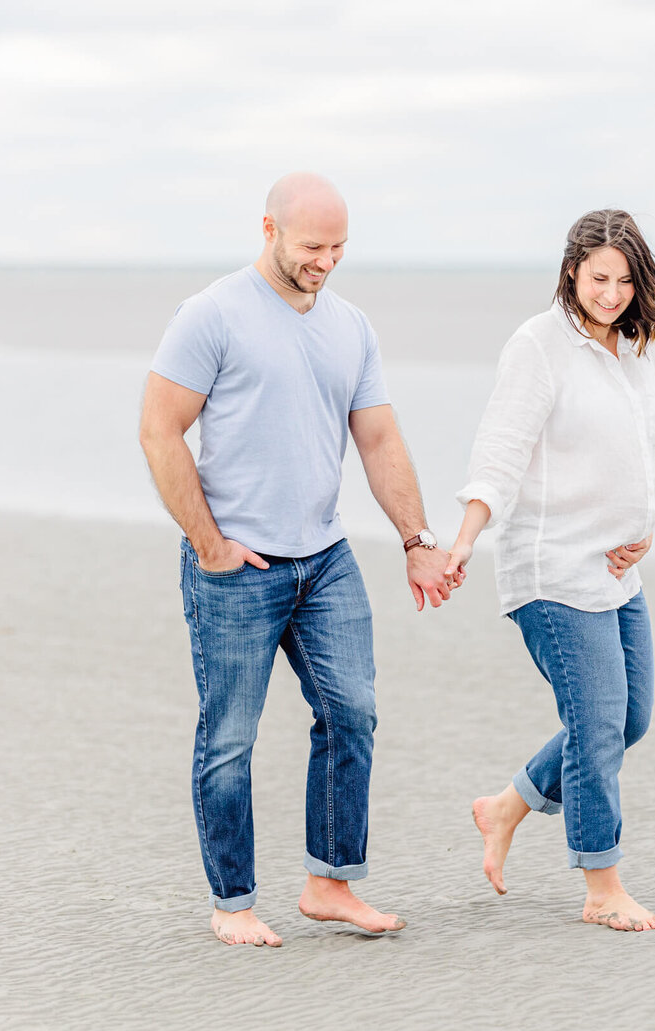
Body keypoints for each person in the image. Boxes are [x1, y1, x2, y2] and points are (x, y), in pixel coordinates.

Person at [139, 172, 457, 947]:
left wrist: (417, 541)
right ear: (269, 230)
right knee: (230, 738)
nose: (327, 260)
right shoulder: (211, 315)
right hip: (237, 569)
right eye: (314, 245)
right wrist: (210, 543)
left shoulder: (351, 326)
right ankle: (234, 901)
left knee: (353, 712)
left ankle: (330, 882)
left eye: (340, 246)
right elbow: (158, 429)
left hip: (325, 558)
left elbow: (378, 439)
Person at [446, 209, 655, 932]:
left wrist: (646, 528)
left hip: (615, 568)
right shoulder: (539, 346)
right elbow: (501, 451)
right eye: (598, 278)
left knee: (628, 718)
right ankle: (601, 884)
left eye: (624, 280)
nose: (611, 294)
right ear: (571, 270)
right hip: (550, 572)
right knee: (597, 721)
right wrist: (464, 537)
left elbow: (647, 451)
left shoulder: (639, 348)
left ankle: (507, 805)